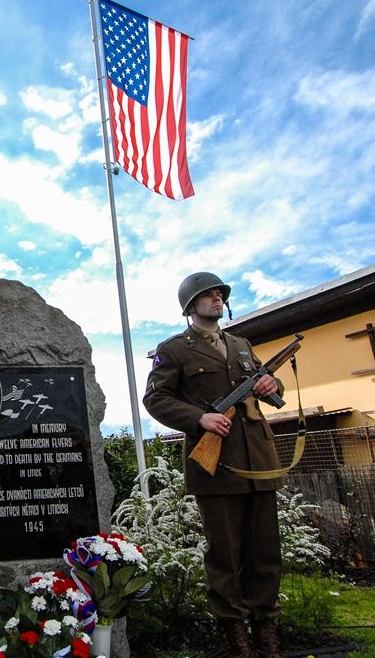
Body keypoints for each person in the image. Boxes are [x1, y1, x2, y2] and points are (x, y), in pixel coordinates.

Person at [142, 272, 285, 658]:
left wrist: (272, 386)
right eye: (209, 295)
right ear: (191, 305)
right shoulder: (174, 350)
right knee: (225, 556)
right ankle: (236, 636)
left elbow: (269, 386)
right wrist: (199, 418)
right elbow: (155, 399)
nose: (217, 298)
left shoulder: (241, 345)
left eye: (220, 294)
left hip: (259, 461)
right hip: (217, 466)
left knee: (266, 553)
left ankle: (267, 630)